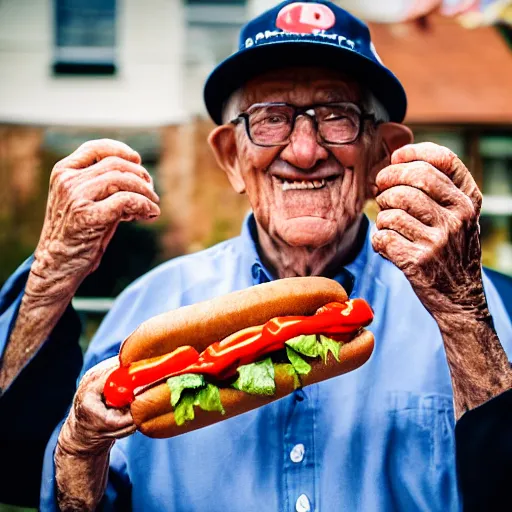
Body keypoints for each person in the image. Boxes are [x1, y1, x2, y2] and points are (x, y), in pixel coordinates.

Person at [1, 1, 511, 510]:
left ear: (383, 152)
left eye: (338, 116)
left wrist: (463, 316)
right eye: (271, 119)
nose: (305, 150)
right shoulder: (144, 310)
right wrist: (52, 275)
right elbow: (47, 487)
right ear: (230, 158)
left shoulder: (484, 313)